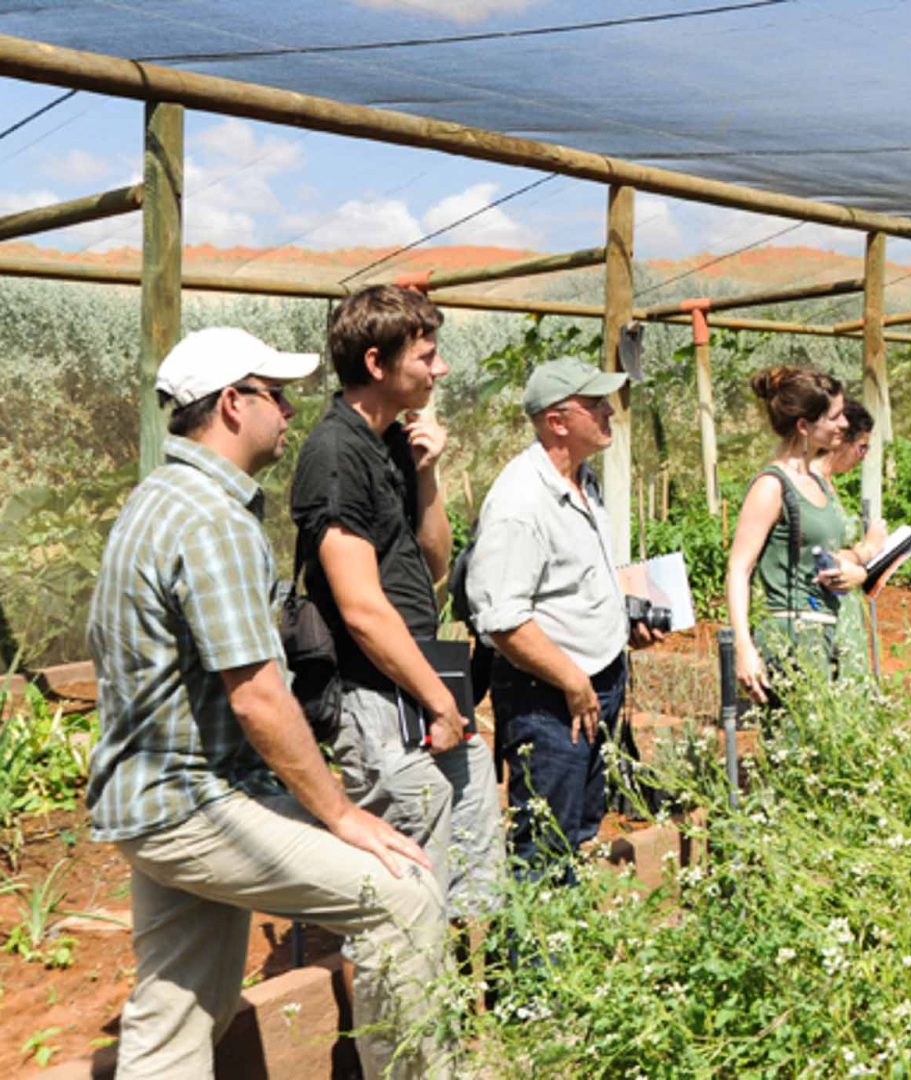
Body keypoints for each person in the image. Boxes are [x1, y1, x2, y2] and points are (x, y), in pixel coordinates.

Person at [87, 328, 450, 1079]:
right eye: (275, 395)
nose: (289, 411)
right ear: (230, 404)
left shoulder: (157, 498)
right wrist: (342, 814)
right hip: (195, 801)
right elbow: (256, 697)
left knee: (177, 1012)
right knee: (402, 895)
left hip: (150, 795)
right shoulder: (212, 521)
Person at [289, 285, 504, 918]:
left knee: (471, 853)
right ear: (378, 364)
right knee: (406, 881)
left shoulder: (388, 443)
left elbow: (433, 563)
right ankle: (412, 1016)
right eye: (427, 357)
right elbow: (359, 607)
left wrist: (429, 474)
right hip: (376, 694)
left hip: (422, 681)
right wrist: (440, 702)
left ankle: (473, 1004)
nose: (440, 370)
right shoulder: (334, 454)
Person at [463, 358, 663, 884]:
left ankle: (566, 952)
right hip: (548, 699)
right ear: (557, 421)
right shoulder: (521, 502)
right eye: (595, 404)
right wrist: (572, 681)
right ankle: (532, 965)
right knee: (544, 847)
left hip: (592, 686)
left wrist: (626, 626)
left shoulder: (581, 482)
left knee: (577, 831)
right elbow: (502, 619)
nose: (609, 413)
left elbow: (575, 583)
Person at [725, 366, 864, 704]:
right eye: (834, 417)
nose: (844, 425)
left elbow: (828, 553)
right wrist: (744, 647)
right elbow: (738, 570)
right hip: (791, 640)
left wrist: (855, 570)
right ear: (804, 426)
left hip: (830, 634)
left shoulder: (818, 481)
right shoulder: (772, 486)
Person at [817, 399, 888, 679]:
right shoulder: (810, 485)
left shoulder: (827, 483)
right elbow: (816, 556)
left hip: (844, 612)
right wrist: (867, 549)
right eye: (862, 446)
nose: (864, 456)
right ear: (840, 441)